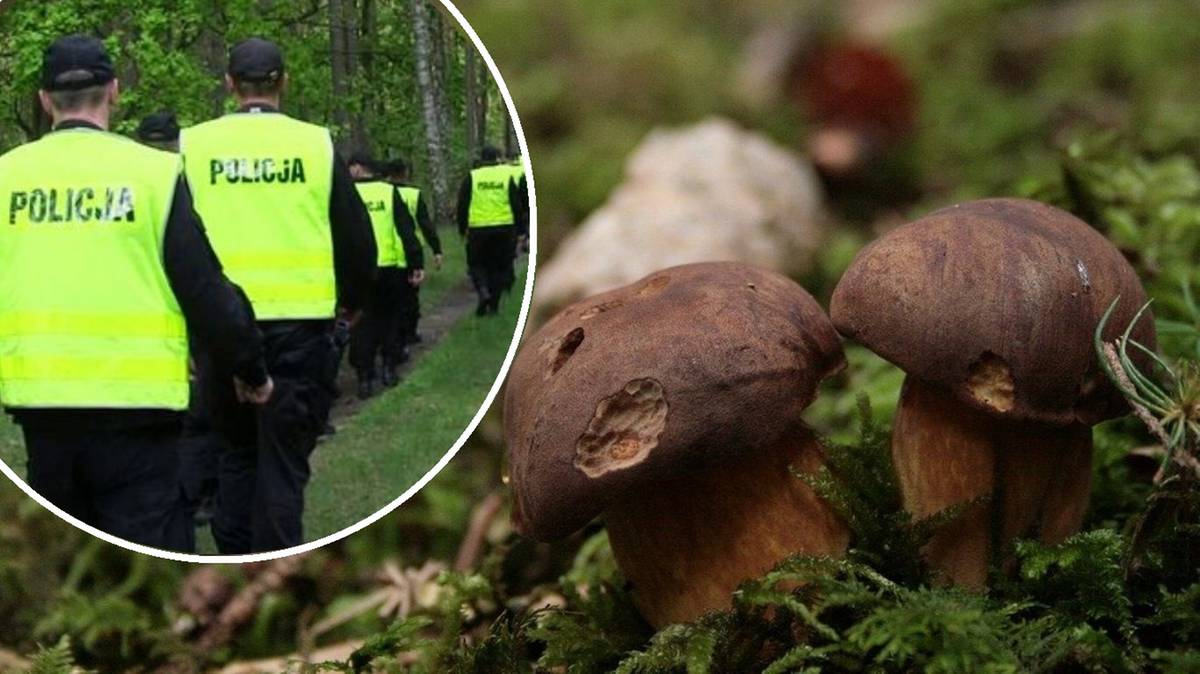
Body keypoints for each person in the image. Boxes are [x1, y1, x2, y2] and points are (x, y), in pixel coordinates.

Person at [0, 35, 268, 552]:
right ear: (116, 92)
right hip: (139, 416)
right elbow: (206, 291)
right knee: (154, 559)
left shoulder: (8, 177)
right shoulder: (154, 175)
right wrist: (250, 368)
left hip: (42, 406)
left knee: (65, 562)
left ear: (43, 100)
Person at [180, 37, 376, 554]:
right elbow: (354, 232)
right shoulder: (315, 144)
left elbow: (174, 244)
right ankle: (272, 564)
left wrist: (185, 328)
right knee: (285, 463)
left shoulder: (194, 146)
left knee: (236, 452)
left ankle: (235, 549)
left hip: (219, 329)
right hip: (300, 329)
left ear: (229, 85)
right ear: (284, 82)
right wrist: (353, 299)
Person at [134, 109, 224, 528]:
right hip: (181, 317)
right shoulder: (183, 182)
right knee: (199, 418)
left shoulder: (132, 181)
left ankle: (188, 495)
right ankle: (198, 495)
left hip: (141, 323)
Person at [348, 154, 424, 398]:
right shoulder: (389, 192)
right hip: (388, 268)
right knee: (389, 320)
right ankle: (389, 369)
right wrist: (415, 263)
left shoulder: (345, 194)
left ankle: (364, 378)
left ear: (359, 168)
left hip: (357, 270)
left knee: (360, 324)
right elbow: (406, 230)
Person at [457, 145, 520, 315]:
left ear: (482, 159)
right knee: (499, 266)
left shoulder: (472, 177)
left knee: (477, 264)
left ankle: (483, 290)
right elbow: (516, 203)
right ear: (497, 158)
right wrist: (520, 229)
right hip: (504, 228)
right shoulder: (506, 176)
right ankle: (494, 304)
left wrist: (462, 228)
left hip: (478, 229)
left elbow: (462, 205)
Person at [386, 158, 442, 344]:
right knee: (410, 297)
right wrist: (436, 249)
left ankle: (393, 336)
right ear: (406, 173)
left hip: (384, 253)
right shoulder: (414, 194)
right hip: (410, 252)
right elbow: (425, 225)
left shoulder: (381, 193)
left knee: (390, 300)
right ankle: (409, 332)